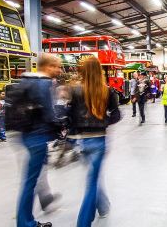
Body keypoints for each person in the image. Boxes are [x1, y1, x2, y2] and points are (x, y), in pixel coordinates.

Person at [67, 55, 121, 227]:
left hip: (79, 140)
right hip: (99, 140)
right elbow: (117, 115)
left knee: (92, 178)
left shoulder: (74, 91)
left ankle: (103, 207)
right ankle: (83, 223)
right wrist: (103, 123)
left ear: (82, 71)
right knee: (93, 180)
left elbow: (68, 118)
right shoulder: (107, 90)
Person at [16, 53, 62, 227]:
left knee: (32, 180)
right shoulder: (44, 84)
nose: (58, 70)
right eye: (56, 66)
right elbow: (49, 114)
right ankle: (25, 222)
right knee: (31, 182)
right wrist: (61, 126)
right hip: (38, 136)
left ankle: (27, 219)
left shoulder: (26, 80)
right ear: (47, 67)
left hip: (26, 134)